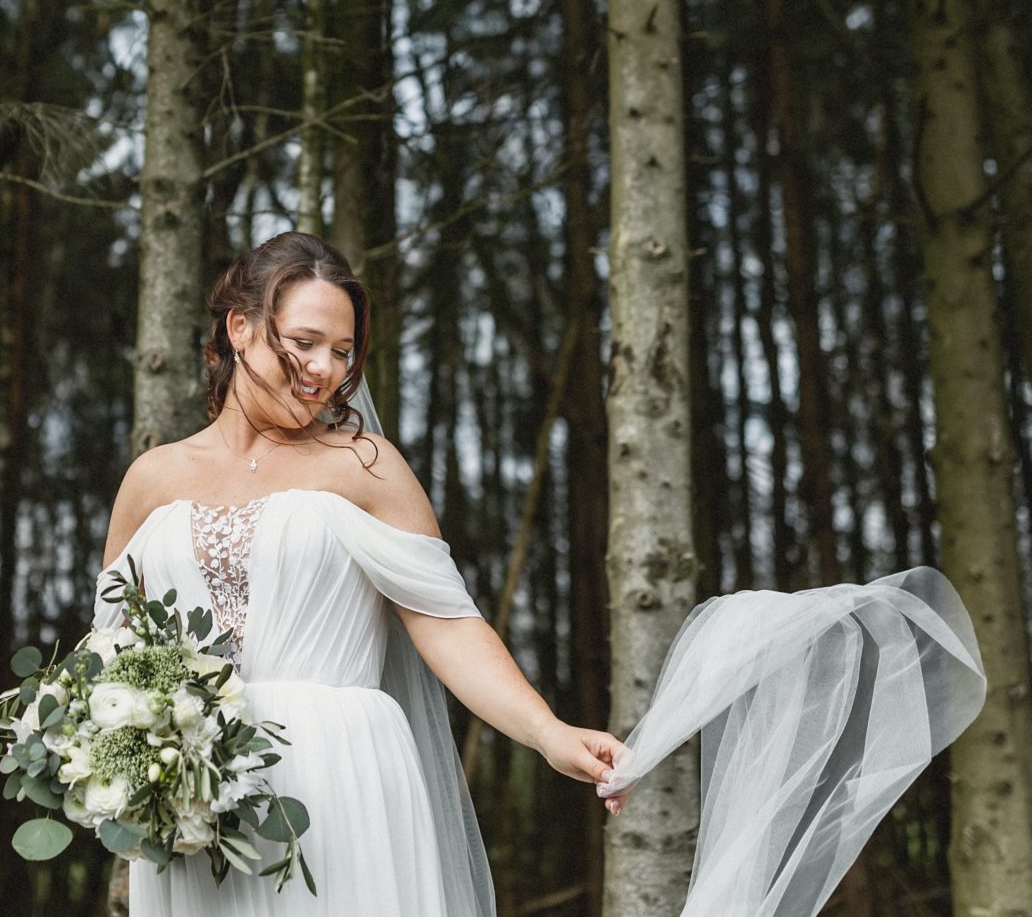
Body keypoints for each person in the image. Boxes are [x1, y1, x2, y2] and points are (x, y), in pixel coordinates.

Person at [94, 230, 986, 916]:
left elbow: (447, 623)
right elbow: (112, 655)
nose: (327, 371)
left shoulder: (363, 467)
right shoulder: (153, 481)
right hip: (193, 805)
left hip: (340, 781)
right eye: (305, 342)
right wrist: (109, 753)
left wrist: (550, 732)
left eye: (343, 351)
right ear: (240, 327)